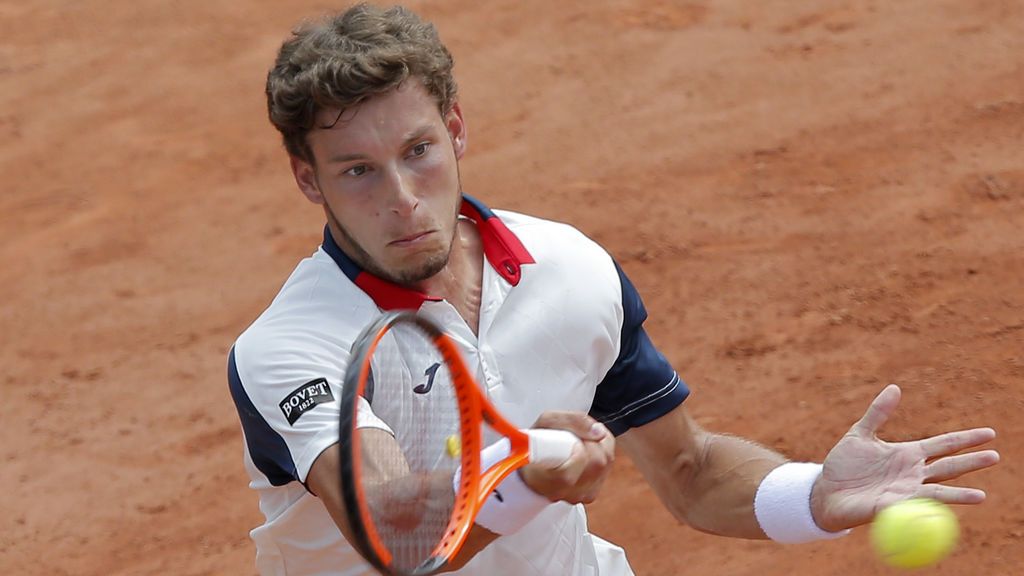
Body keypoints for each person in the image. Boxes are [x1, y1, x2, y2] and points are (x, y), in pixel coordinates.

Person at [228, 4, 1000, 575]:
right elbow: (391, 527)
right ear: (309, 178)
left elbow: (692, 473)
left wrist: (811, 495)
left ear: (456, 128)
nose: (401, 196)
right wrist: (523, 478)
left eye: (418, 150)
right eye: (357, 170)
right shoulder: (293, 345)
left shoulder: (568, 269)